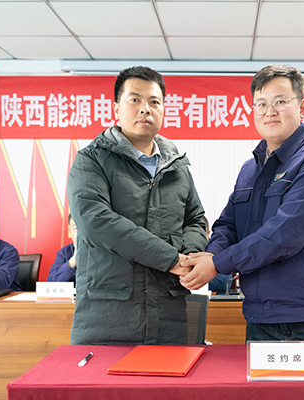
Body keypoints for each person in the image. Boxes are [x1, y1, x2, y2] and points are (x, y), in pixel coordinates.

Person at [180, 64, 304, 342]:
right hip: (260, 315)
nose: (270, 111)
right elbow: (228, 224)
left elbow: (286, 234)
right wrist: (211, 256)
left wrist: (218, 263)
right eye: (261, 104)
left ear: (302, 107)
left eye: (280, 101)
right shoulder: (251, 169)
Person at [67, 66, 207, 345]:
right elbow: (97, 222)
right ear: (116, 107)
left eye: (154, 101)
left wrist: (190, 257)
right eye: (135, 100)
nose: (145, 109)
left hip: (168, 313)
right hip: (109, 315)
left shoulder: (177, 166)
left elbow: (195, 219)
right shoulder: (91, 160)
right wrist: (171, 259)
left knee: (171, 375)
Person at [47, 214, 77, 283]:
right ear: (70, 232)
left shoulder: (101, 251)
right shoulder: (65, 252)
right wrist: (73, 260)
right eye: (76, 228)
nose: (81, 233)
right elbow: (51, 282)